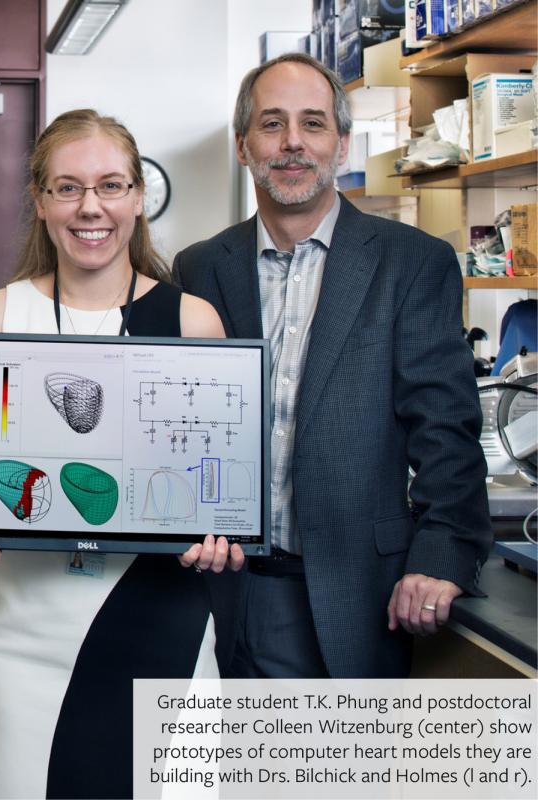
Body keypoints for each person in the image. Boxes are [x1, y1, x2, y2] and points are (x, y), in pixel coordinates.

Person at [0, 109, 243, 800]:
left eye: (111, 186)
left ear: (139, 197)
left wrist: (222, 536)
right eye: (68, 187)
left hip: (162, 618)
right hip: (24, 632)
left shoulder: (192, 322)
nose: (92, 207)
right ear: (40, 200)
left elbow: (215, 488)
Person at [173, 53, 492, 679]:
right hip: (212, 592)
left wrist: (441, 555)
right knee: (210, 777)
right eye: (272, 124)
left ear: (342, 143)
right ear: (243, 145)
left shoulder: (412, 263)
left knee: (331, 778)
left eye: (313, 123)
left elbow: (446, 430)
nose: (293, 142)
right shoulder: (200, 267)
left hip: (354, 595)